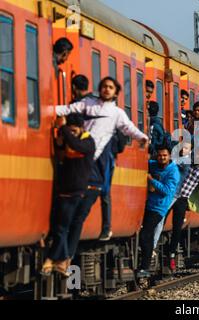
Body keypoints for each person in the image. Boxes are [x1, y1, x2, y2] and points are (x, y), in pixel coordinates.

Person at [56, 77, 149, 242]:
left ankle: (106, 227)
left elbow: (129, 128)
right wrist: (47, 110)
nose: (106, 89)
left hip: (99, 155)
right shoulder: (89, 103)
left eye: (110, 87)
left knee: (103, 189)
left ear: (115, 92)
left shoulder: (117, 113)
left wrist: (142, 137)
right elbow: (68, 109)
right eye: (104, 86)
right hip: (84, 152)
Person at [41, 113, 95, 277]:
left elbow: (76, 145)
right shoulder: (69, 139)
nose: (71, 133)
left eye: (73, 131)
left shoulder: (88, 142)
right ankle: (61, 260)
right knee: (60, 227)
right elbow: (60, 150)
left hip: (76, 191)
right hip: (63, 190)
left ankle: (55, 259)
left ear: (80, 129)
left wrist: (63, 128)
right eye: (69, 130)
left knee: (62, 227)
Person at [136, 144, 180, 279]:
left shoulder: (174, 172)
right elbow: (144, 161)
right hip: (147, 204)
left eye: (164, 155)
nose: (162, 158)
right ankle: (144, 264)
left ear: (170, 156)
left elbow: (167, 190)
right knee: (144, 235)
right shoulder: (153, 164)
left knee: (145, 235)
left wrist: (152, 181)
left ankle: (145, 267)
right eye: (160, 155)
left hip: (159, 208)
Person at [168, 154, 199, 271]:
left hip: (182, 199)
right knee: (159, 219)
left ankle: (171, 254)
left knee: (177, 228)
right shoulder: (184, 165)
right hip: (172, 195)